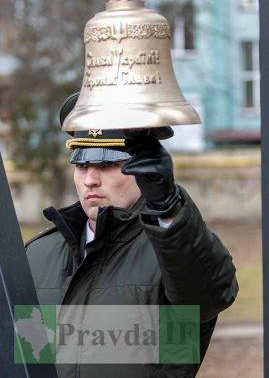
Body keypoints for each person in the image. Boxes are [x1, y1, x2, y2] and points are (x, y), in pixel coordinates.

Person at [25, 93, 238, 377]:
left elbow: (209, 296)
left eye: (107, 164)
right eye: (82, 165)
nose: (90, 179)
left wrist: (167, 206)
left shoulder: (174, 251)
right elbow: (25, 357)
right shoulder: (38, 254)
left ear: (142, 169)